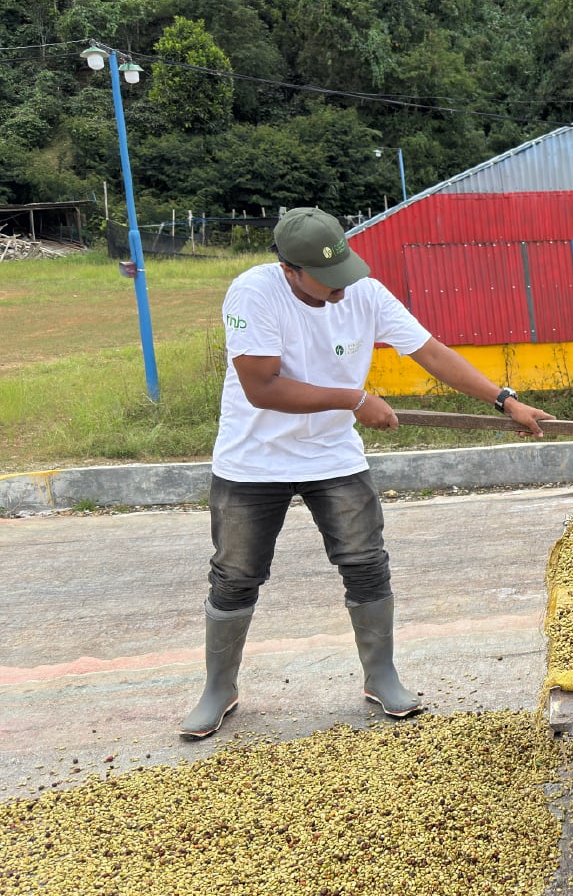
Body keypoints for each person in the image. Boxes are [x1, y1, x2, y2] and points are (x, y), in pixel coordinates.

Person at [181, 206, 551, 739]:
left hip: (334, 457)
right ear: (289, 269)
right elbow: (261, 387)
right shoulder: (253, 292)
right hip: (253, 459)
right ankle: (219, 688)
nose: (340, 287)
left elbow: (431, 352)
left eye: (343, 271)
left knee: (365, 564)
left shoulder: (364, 293)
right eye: (326, 278)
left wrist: (505, 400)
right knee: (236, 574)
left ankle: (381, 676)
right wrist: (354, 399)